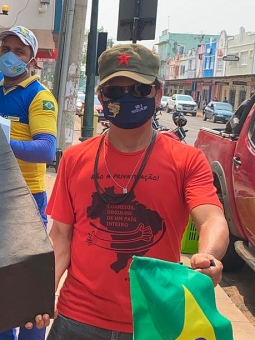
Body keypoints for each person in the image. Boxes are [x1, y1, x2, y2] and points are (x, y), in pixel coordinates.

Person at [46, 44, 229, 340]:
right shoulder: (75, 158)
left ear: (158, 93)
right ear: (100, 98)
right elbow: (60, 238)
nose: (127, 99)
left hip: (156, 321)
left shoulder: (186, 160)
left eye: (139, 89)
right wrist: (43, 293)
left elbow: (211, 219)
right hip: (78, 320)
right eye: (115, 92)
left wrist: (207, 258)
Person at [0, 26, 58, 340]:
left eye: (19, 51)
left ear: (31, 59)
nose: (10, 56)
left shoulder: (39, 97)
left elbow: (45, 150)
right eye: (5, 50)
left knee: (28, 295)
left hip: (26, 200)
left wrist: (5, 144)